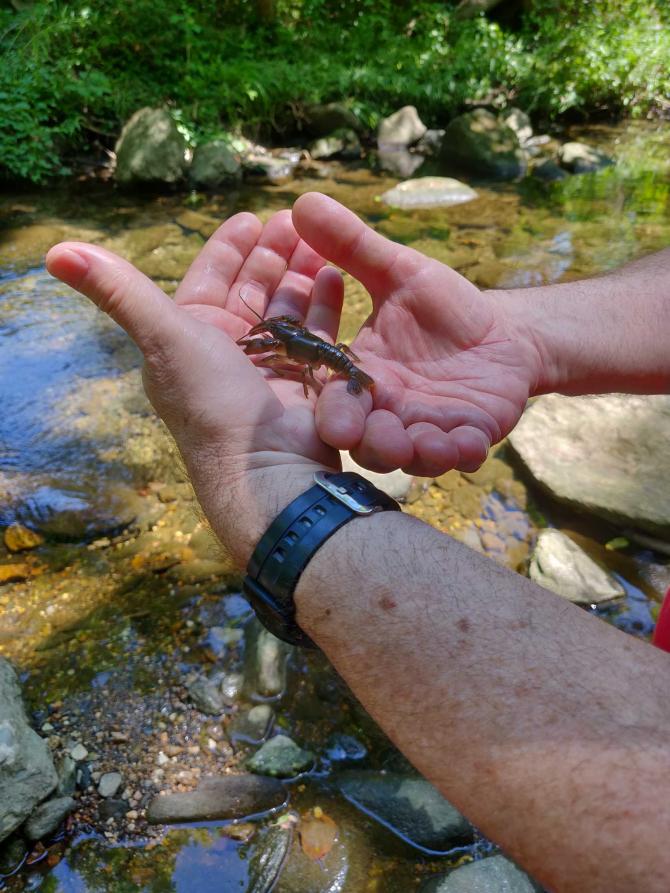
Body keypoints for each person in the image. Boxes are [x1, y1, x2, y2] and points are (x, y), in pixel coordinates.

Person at [46, 193, 670, 893]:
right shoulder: (302, 344)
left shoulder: (319, 357)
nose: (272, 336)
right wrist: (520, 331)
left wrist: (266, 483)